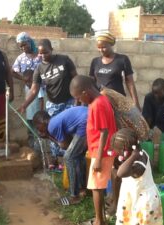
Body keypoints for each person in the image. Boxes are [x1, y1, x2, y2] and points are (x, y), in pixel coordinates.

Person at [18, 38, 78, 168]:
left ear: (52, 49)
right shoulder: (39, 69)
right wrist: (25, 105)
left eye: (46, 52)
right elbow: (34, 90)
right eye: (40, 53)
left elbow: (75, 79)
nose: (43, 56)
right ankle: (55, 158)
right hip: (52, 103)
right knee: (52, 130)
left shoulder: (64, 60)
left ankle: (66, 158)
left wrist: (77, 100)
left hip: (68, 101)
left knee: (67, 130)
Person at [70, 75, 117, 225]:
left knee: (96, 187)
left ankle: (99, 221)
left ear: (85, 92)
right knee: (99, 185)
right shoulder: (100, 100)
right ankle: (103, 217)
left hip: (101, 152)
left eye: (78, 97)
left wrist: (97, 158)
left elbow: (104, 131)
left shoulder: (97, 104)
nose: (78, 101)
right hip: (102, 150)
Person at [33, 107, 87, 205]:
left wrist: (48, 137)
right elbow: (70, 144)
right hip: (87, 118)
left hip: (85, 122)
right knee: (78, 155)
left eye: (37, 127)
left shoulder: (51, 126)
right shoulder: (55, 121)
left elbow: (65, 146)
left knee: (68, 157)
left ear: (41, 122)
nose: (38, 130)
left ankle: (74, 196)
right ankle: (82, 189)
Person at [110, 128, 163, 225]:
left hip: (144, 203)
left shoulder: (138, 163)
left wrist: (133, 156)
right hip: (131, 199)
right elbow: (115, 174)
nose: (118, 155)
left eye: (119, 151)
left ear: (126, 150)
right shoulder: (129, 158)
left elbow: (120, 173)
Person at [89, 32, 141, 111]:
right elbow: (91, 82)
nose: (101, 50)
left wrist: (136, 103)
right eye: (99, 47)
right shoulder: (95, 61)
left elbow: (130, 82)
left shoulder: (122, 59)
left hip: (117, 102)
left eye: (103, 47)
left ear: (111, 44)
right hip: (100, 102)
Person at [12, 32, 44, 150]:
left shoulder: (40, 56)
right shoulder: (21, 58)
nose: (23, 48)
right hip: (29, 89)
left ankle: (40, 148)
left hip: (43, 89)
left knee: (42, 119)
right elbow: (12, 71)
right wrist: (24, 78)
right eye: (20, 46)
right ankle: (33, 148)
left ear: (30, 42)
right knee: (30, 119)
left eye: (25, 45)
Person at [142, 78, 164, 143]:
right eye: (154, 92)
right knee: (150, 147)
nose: (156, 96)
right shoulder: (148, 97)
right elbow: (148, 118)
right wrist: (146, 134)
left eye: (158, 93)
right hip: (151, 127)